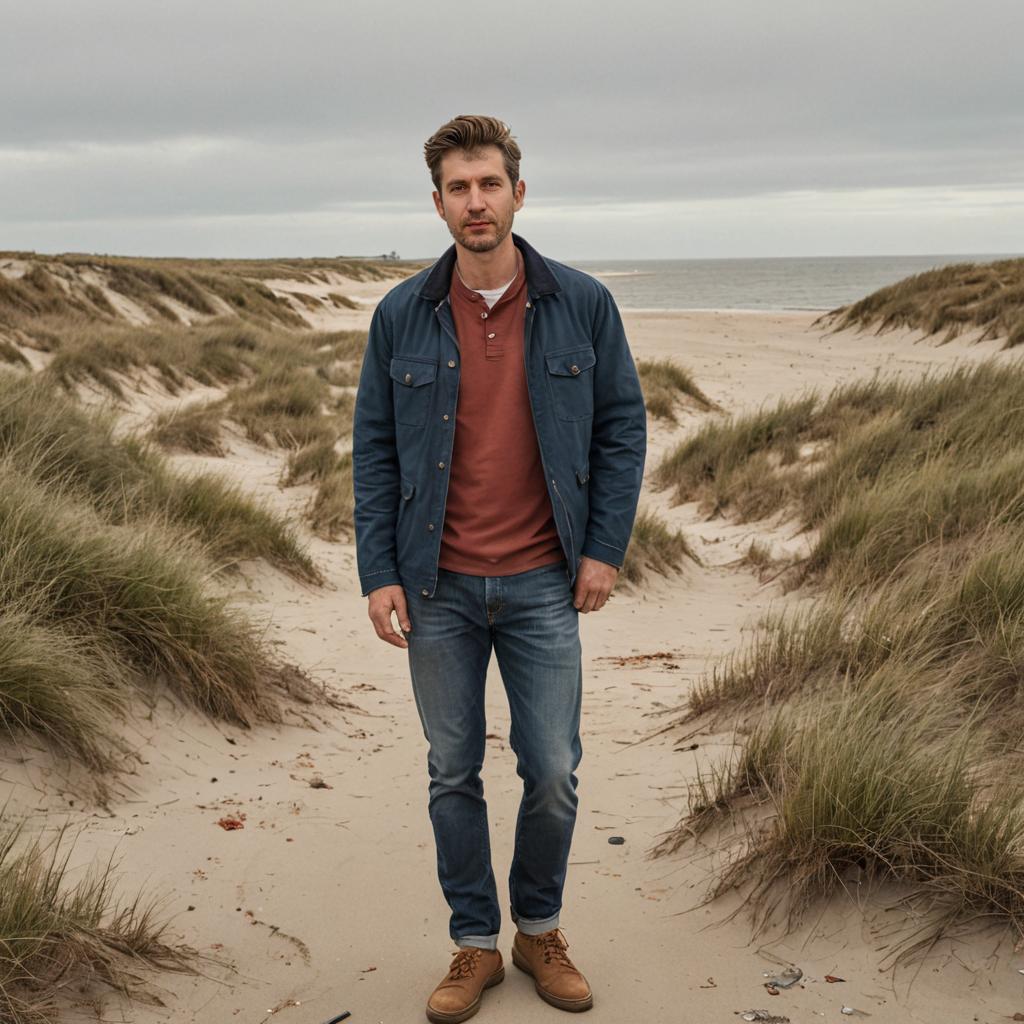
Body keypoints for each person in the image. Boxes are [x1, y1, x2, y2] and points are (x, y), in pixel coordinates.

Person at [352, 114, 646, 1022]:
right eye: (457, 187)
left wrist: (603, 548)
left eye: (489, 184)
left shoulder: (582, 303)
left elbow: (621, 426)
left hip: (540, 583)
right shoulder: (403, 312)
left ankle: (540, 929)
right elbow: (374, 450)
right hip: (434, 583)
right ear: (437, 202)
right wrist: (377, 570)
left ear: (519, 192)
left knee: (552, 767)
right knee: (452, 770)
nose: (474, 202)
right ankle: (474, 944)